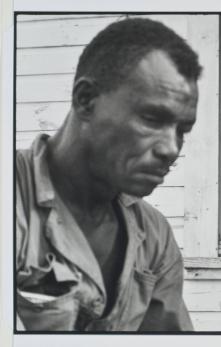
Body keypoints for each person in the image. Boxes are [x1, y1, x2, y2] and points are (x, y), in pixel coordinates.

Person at [16, 17, 201, 331]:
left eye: (182, 131)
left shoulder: (153, 236)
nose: (171, 148)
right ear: (86, 100)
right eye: (152, 118)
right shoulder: (15, 199)